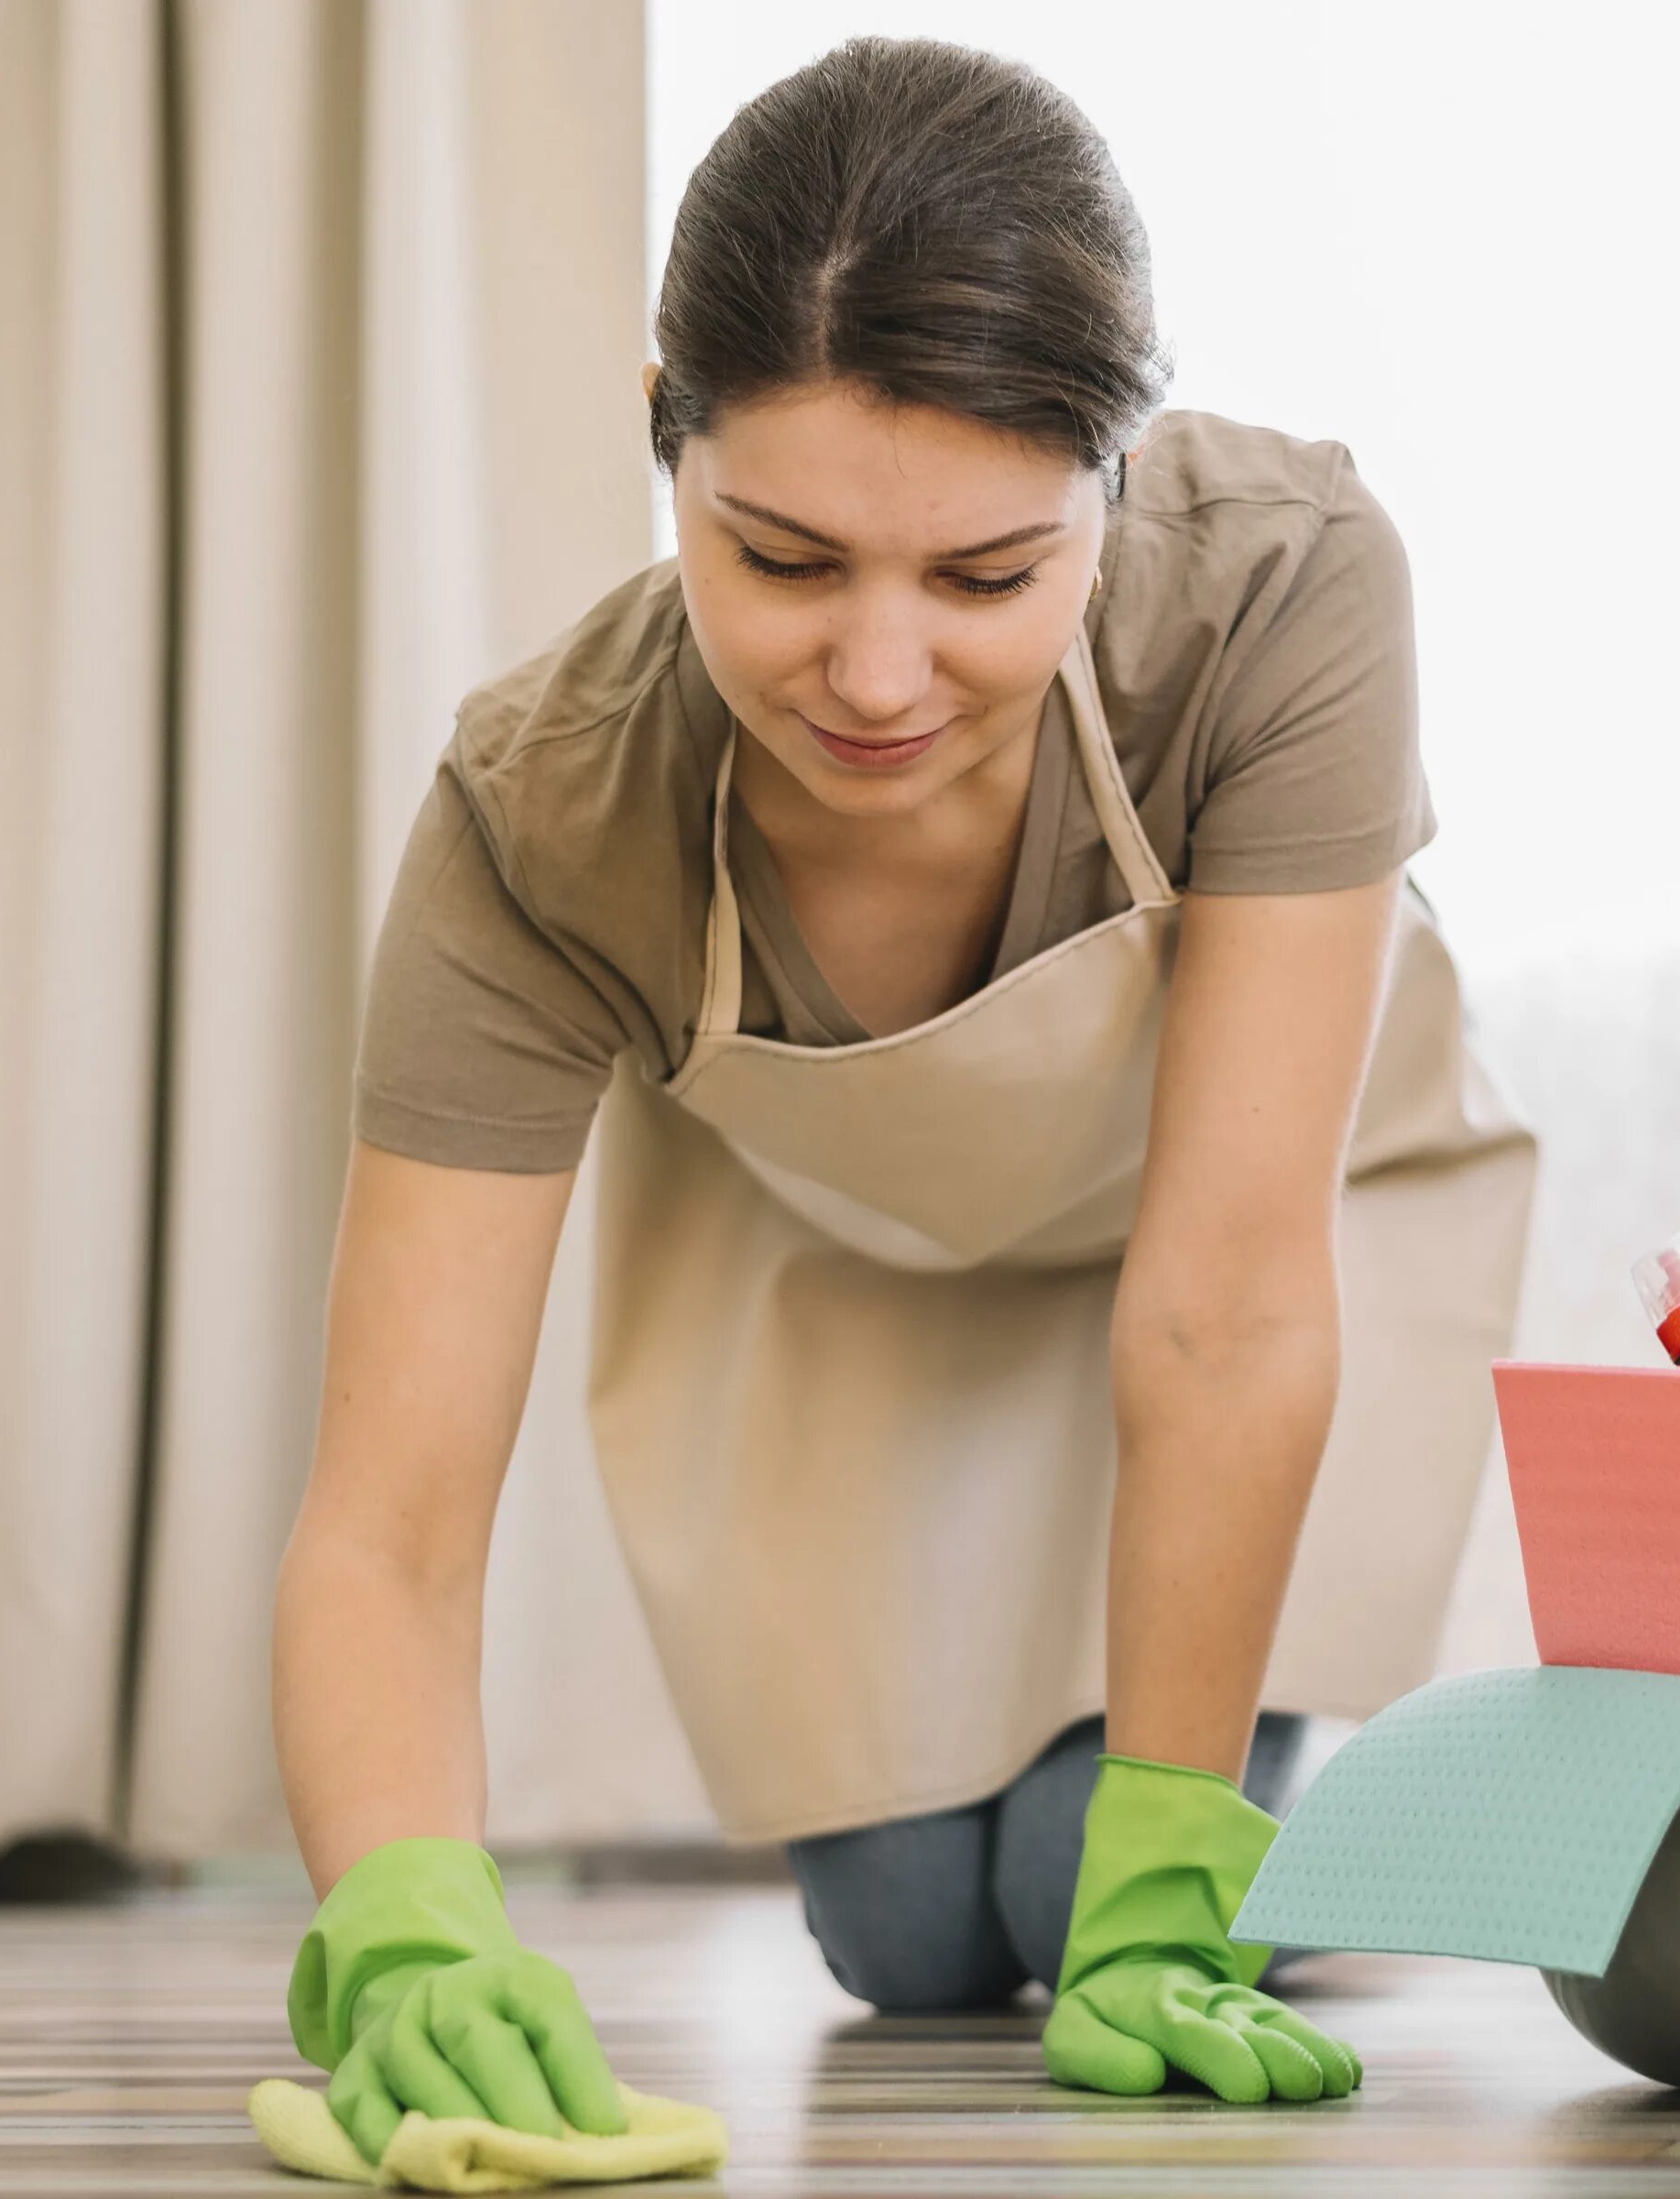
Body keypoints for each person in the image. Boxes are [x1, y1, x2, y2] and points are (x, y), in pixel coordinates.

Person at [269, 34, 1534, 2160]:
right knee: (910, 1939)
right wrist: (400, 1932)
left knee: (1078, 1894)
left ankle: (1233, 1841)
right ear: (666, 450)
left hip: (1244, 1246)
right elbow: (388, 1522)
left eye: (983, 579)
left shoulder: (1283, 593)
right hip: (862, 1289)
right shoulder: (544, 810)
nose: (873, 679)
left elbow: (1224, 1307)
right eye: (780, 559)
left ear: (1110, 491)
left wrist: (1162, 1890)